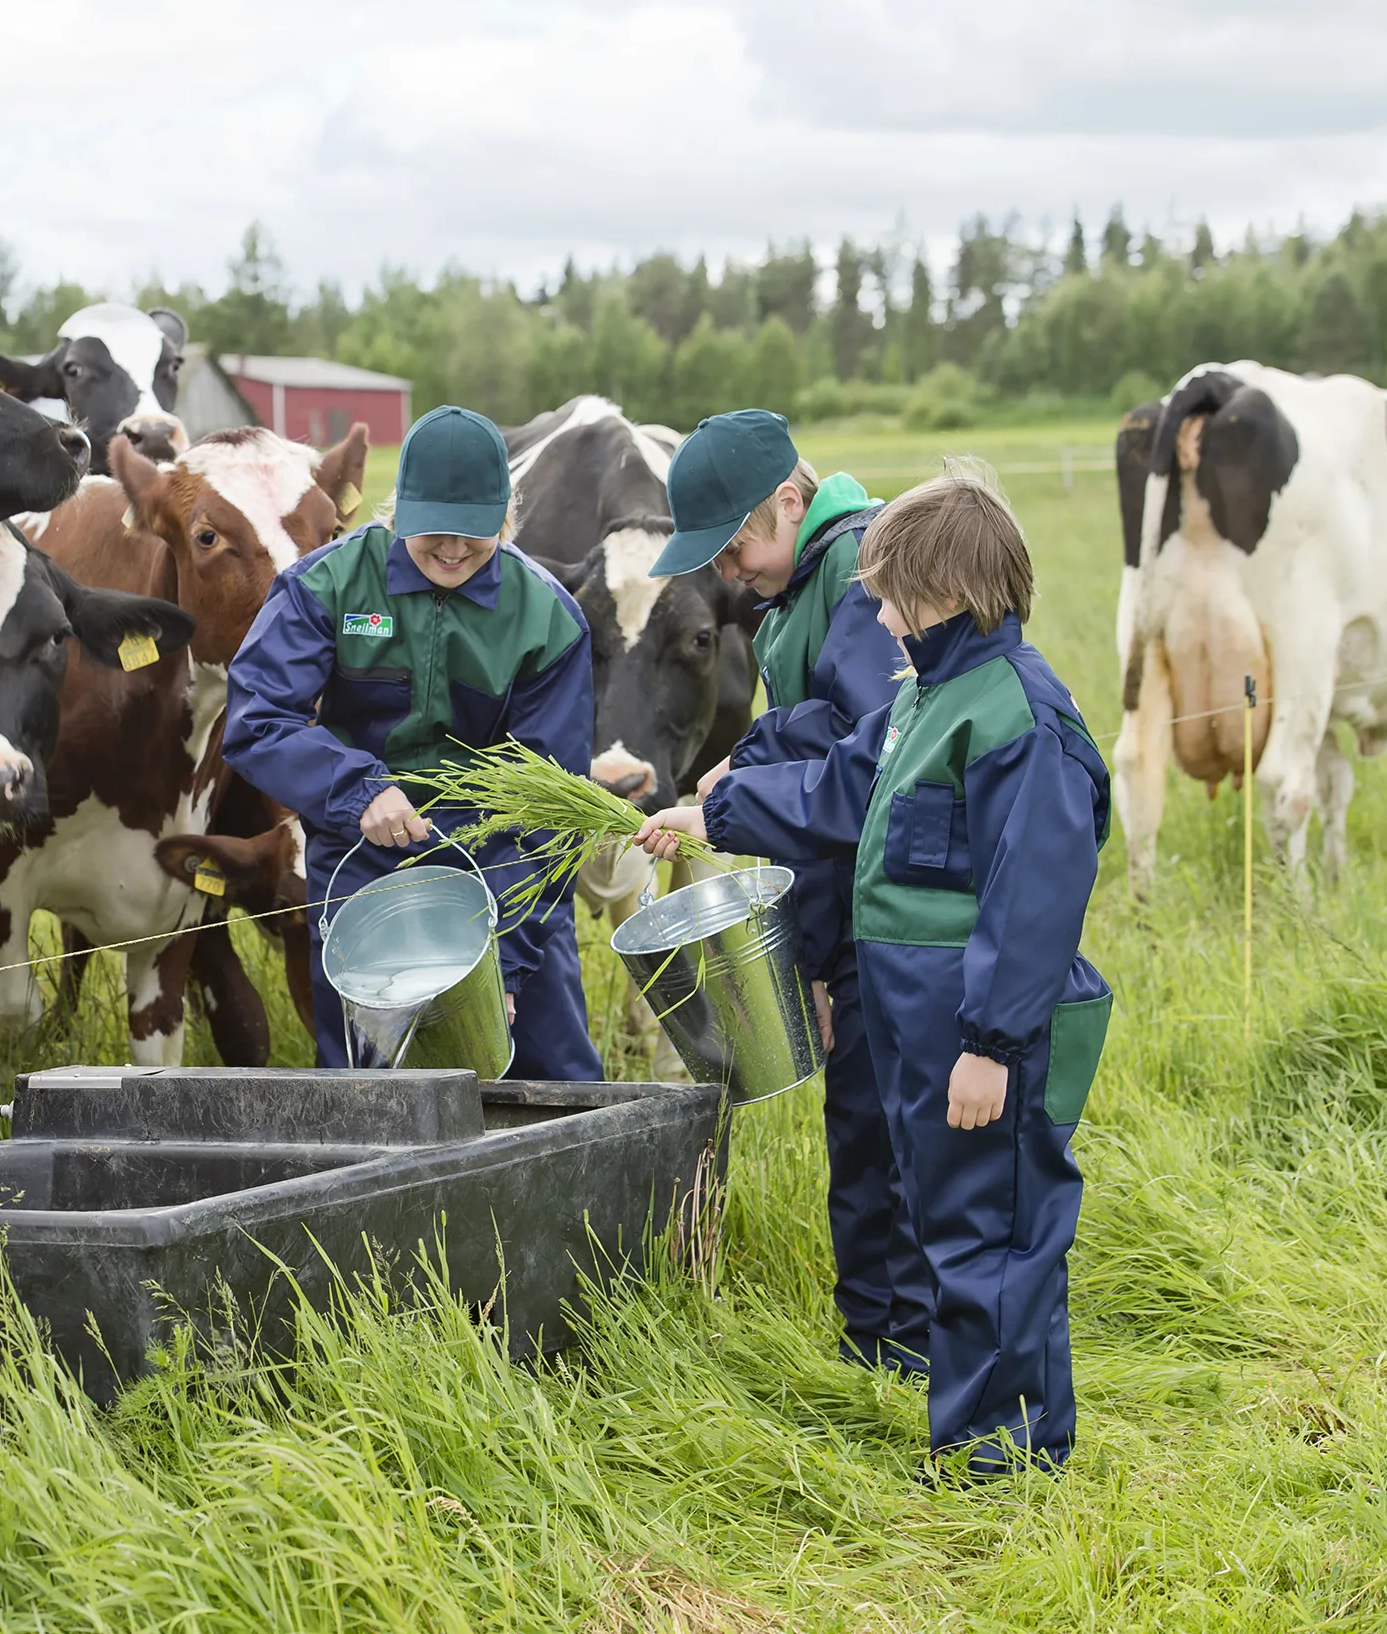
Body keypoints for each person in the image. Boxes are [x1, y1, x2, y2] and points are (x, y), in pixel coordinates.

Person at [637, 465, 1113, 1474]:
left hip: (978, 1035)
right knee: (949, 1225)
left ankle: (1008, 1463)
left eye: (892, 597)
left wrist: (989, 1045)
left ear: (945, 593)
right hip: (916, 1026)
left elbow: (1032, 902)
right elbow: (839, 787)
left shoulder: (1017, 717)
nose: (882, 619)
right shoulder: (922, 703)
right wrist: (710, 812)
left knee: (997, 1232)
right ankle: (975, 1435)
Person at [649, 409, 933, 1375]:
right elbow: (818, 726)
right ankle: (882, 1342)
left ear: (790, 499)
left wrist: (727, 813)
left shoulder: (862, 581)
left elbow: (880, 767)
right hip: (858, 911)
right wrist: (749, 762)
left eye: (738, 544)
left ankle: (909, 1349)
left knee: (893, 1133)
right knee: (865, 1129)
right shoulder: (799, 590)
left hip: (909, 910)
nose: (731, 571)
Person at [224, 405, 602, 1079]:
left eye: (474, 536)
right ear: (397, 512)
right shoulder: (326, 585)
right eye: (435, 534)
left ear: (506, 519)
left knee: (554, 1079)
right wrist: (356, 790)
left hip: (501, 867)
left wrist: (506, 961)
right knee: (373, 1090)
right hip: (365, 860)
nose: (453, 551)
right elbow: (258, 720)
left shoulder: (548, 618)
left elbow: (553, 808)